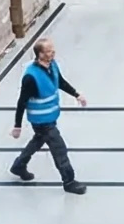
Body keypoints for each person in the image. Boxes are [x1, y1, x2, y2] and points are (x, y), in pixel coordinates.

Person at [9, 37, 88, 194]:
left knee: (38, 141)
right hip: (41, 121)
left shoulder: (52, 66)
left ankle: (19, 166)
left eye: (53, 50)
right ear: (40, 54)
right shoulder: (31, 77)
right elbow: (21, 102)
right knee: (59, 149)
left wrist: (76, 94)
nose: (53, 53)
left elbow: (60, 82)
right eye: (49, 51)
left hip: (50, 117)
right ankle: (69, 181)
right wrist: (17, 126)